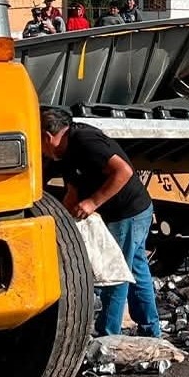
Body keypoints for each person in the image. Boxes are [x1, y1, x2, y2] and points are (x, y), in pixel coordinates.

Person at [40, 107, 160, 338]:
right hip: (127, 212)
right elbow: (72, 190)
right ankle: (151, 332)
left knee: (114, 273)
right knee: (136, 271)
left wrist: (93, 202)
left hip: (128, 212)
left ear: (47, 137)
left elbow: (123, 171)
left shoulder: (86, 142)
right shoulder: (64, 152)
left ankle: (108, 336)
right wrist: (64, 221)